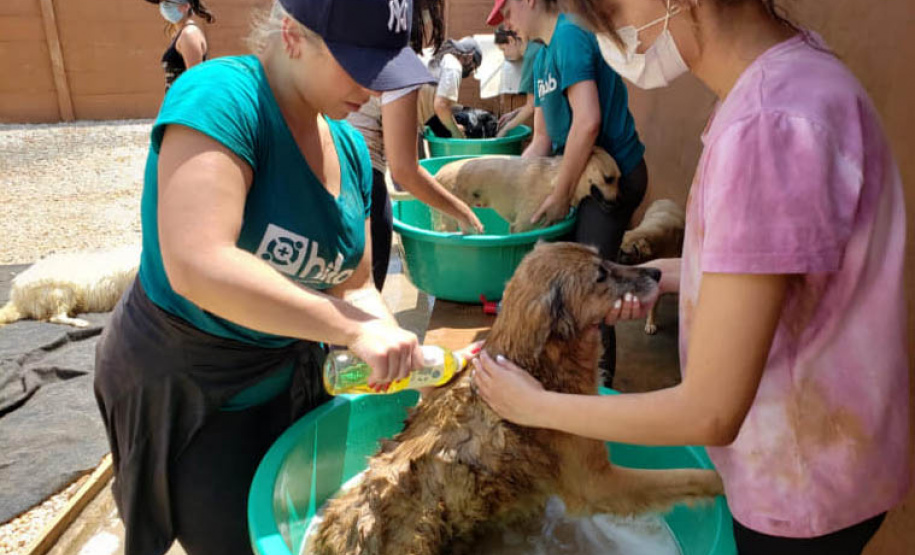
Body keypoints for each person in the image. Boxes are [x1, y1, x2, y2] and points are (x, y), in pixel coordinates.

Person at [473, 0, 910, 553]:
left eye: (606, 7)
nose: (604, 29)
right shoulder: (798, 79)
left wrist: (534, 406)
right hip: (846, 461)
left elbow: (711, 410)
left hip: (800, 490)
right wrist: (655, 275)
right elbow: (780, 271)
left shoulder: (765, 126)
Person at [93, 0, 445, 554]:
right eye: (358, 64)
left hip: (287, 375)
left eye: (384, 72)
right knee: (233, 537)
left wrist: (390, 338)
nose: (375, 91)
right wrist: (353, 331)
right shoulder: (222, 99)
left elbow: (354, 284)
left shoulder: (351, 150)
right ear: (292, 35)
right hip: (193, 382)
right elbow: (197, 262)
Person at [488, 0, 648, 386]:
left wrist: (559, 196)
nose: (506, 25)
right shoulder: (540, 55)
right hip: (573, 177)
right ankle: (556, 378)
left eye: (506, 13)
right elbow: (541, 141)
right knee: (548, 270)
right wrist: (511, 189)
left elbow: (588, 122)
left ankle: (600, 383)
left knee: (592, 286)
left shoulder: (571, 34)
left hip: (611, 178)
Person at [347, 0, 484, 291]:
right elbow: (405, 170)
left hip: (330, 171)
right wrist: (462, 211)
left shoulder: (354, 44)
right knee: (364, 298)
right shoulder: (400, 62)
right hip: (362, 175)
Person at [418, 36, 483, 139]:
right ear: (470, 58)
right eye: (473, 68)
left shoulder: (433, 54)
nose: (471, 72)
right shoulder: (453, 66)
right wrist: (456, 133)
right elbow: (441, 106)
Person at [151, 0, 213, 89]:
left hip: (186, 101)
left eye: (168, 2)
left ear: (185, 6)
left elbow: (195, 80)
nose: (164, 6)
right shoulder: (181, 34)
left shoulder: (189, 34)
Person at [495, 29, 543, 138]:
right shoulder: (535, 48)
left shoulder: (531, 55)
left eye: (503, 49)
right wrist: (513, 114)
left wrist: (506, 129)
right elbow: (535, 101)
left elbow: (531, 106)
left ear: (511, 40)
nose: (504, 55)